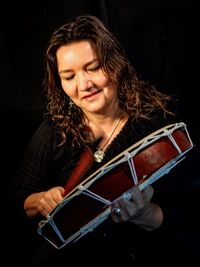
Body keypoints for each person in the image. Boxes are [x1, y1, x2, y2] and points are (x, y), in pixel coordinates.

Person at [11, 14, 184, 266]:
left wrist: (145, 213)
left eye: (92, 68)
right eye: (69, 77)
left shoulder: (157, 126)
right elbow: (16, 196)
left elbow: (184, 219)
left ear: (115, 64)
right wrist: (37, 200)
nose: (84, 84)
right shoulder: (54, 129)